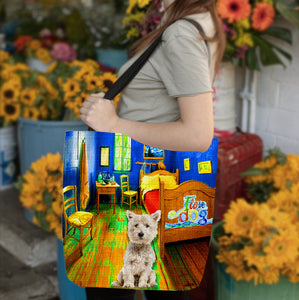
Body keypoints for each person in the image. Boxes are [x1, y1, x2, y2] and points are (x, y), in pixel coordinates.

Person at [80, 0, 225, 299]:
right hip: (158, 183)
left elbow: (198, 134)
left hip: (134, 182)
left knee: (113, 284)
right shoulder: (197, 21)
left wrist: (113, 124)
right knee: (162, 287)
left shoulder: (181, 33)